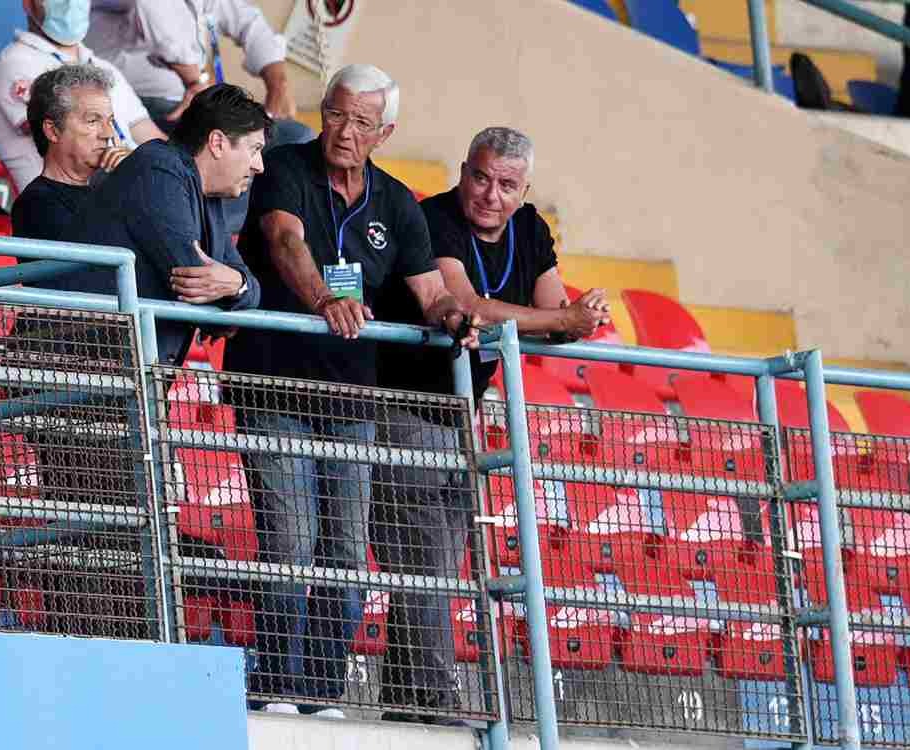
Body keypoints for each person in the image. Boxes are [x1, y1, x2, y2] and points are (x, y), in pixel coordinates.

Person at [222, 63, 477, 717]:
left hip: (353, 399)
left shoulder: (396, 201)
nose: (345, 130)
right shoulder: (284, 166)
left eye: (362, 121)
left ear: (383, 131)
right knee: (290, 539)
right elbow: (284, 238)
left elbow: (429, 290)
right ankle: (276, 682)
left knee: (343, 550)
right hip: (274, 383)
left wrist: (453, 319)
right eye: (337, 113)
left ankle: (322, 689)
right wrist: (323, 299)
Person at [370, 127, 609, 724]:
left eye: (506, 185)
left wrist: (578, 318)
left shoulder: (530, 227)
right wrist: (560, 317)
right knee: (424, 554)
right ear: (463, 171)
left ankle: (408, 699)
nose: (490, 195)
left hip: (459, 415)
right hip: (399, 406)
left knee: (436, 558)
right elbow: (465, 301)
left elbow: (557, 318)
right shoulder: (434, 219)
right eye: (480, 177)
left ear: (524, 189)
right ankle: (433, 698)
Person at [58, 83, 265, 365]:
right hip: (72, 374)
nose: (259, 165)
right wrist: (228, 300)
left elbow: (242, 282)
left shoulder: (210, 196)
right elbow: (191, 278)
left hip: (122, 379)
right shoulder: (158, 168)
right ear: (217, 143)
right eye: (254, 149)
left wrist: (238, 286)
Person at [0, 0, 169, 193]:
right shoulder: (16, 64)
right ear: (29, 4)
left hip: (129, 195)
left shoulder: (102, 67)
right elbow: (76, 148)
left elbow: (152, 137)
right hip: (65, 207)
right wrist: (140, 167)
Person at [87, 0, 313, 148]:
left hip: (188, 101)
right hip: (140, 105)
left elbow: (248, 22)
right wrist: (197, 81)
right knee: (232, 149)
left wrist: (279, 85)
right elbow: (156, 13)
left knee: (296, 138)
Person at [11, 64, 132, 240]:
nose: (109, 134)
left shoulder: (108, 190)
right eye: (92, 121)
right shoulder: (36, 204)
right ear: (53, 131)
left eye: (110, 121)